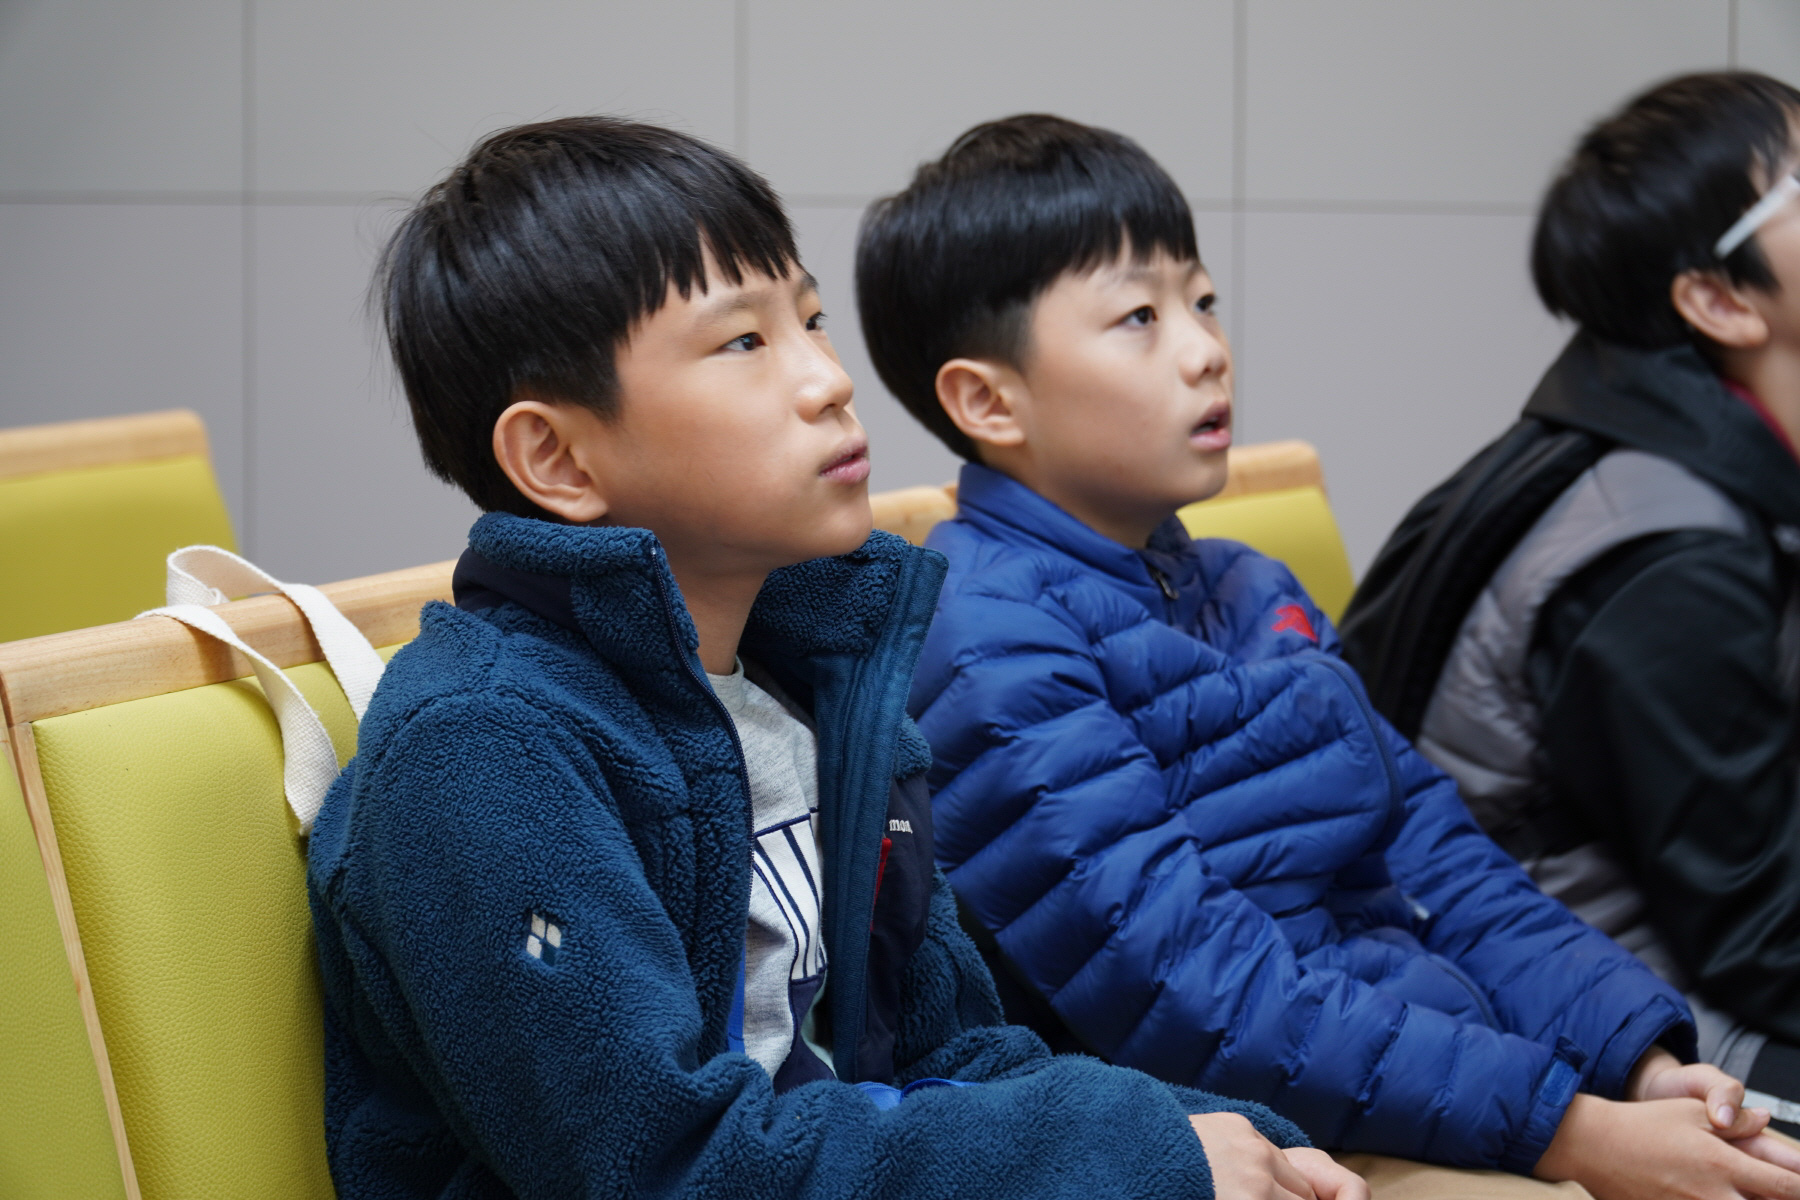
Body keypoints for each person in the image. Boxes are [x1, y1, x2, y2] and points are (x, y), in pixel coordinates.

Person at [305, 115, 1368, 1200]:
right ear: (558, 458)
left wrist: (1228, 1140)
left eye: (811, 320)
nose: (827, 379)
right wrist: (1134, 1157)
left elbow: (948, 1060)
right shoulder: (483, 753)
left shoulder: (817, 683)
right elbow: (666, 1169)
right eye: (744, 343)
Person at [857, 111, 1800, 1199]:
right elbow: (1191, 990)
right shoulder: (981, 634)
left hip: (1443, 1084)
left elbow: (1442, 860)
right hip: (1261, 1138)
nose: (1207, 348)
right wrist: (1572, 1131)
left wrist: (1636, 1063)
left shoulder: (1251, 586)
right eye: (1139, 317)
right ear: (988, 399)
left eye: (1203, 301)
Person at [1338, 71, 1800, 1135]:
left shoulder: (1681, 450)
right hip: (1597, 1014)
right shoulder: (1666, 550)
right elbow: (1757, 942)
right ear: (1720, 301)